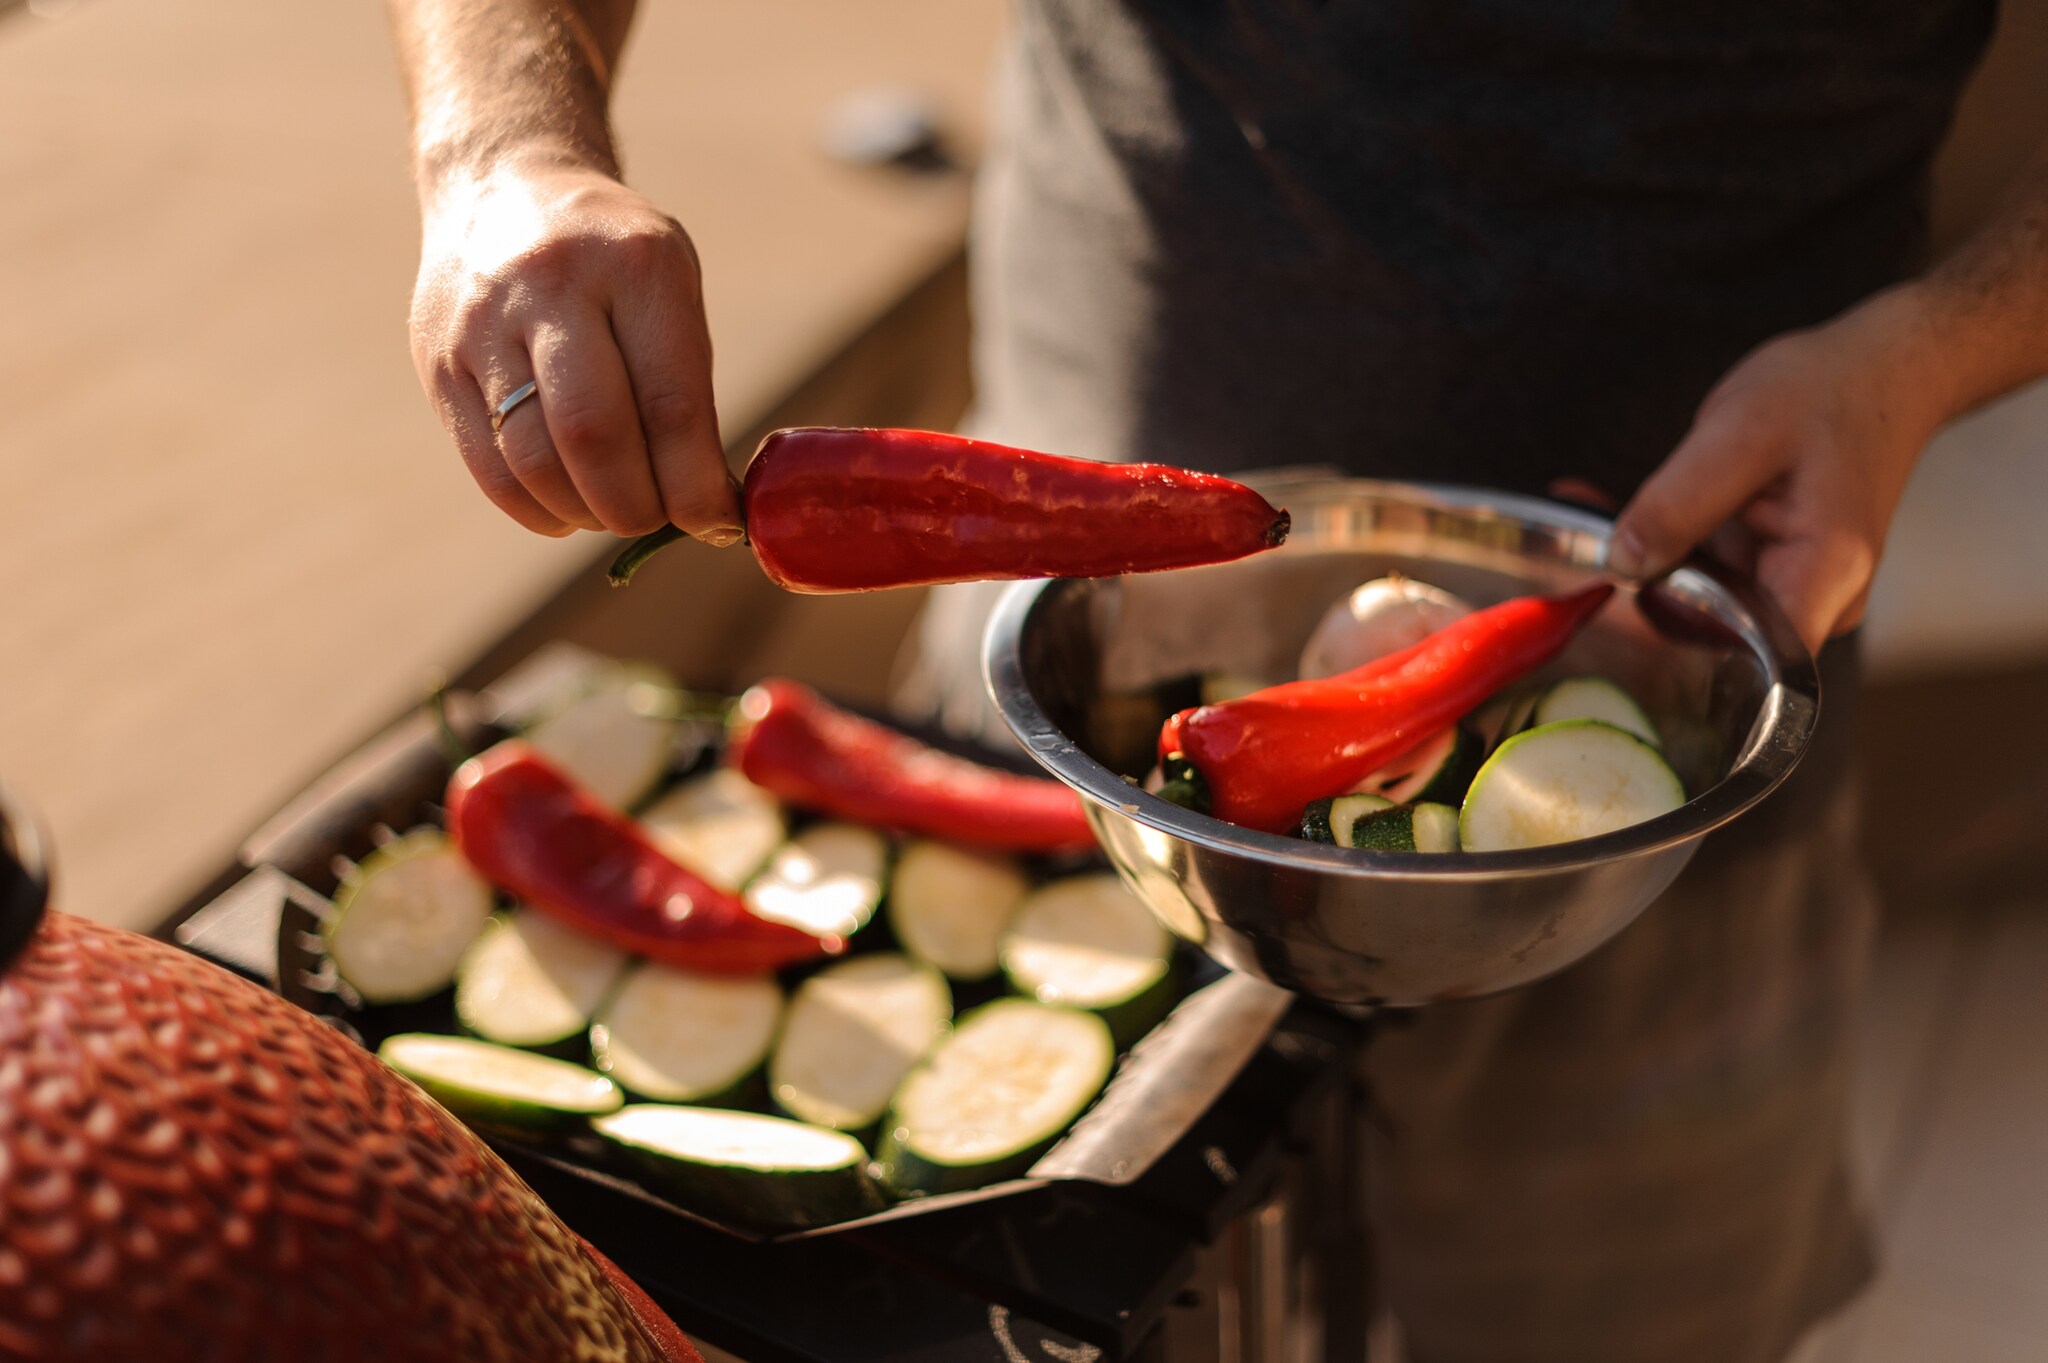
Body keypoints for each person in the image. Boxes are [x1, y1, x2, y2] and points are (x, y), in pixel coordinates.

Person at [386, 3, 2048, 1359]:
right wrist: (503, 147)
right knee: (1020, 1297)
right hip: (1058, 696)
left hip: (1658, 747)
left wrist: (1927, 356)